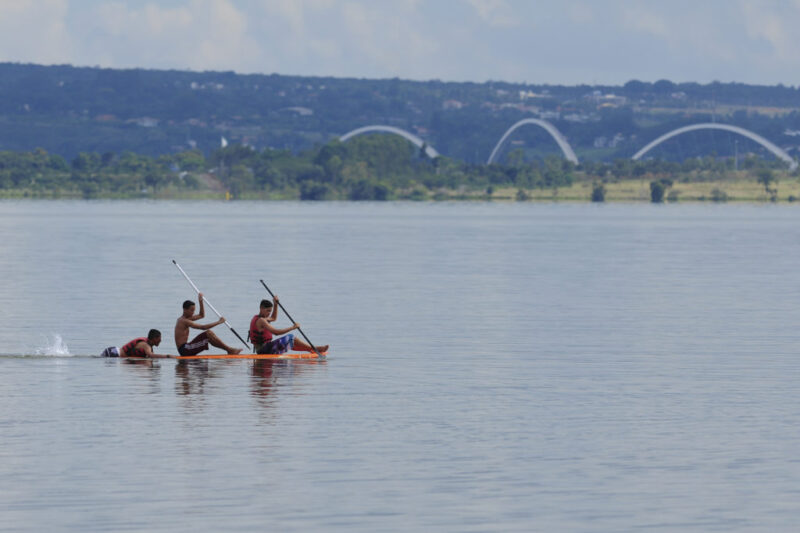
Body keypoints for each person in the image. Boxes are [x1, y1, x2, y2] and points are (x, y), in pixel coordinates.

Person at [249, 297, 328, 355]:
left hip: (265, 349)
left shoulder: (261, 318)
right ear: (261, 308)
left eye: (270, 311)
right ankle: (315, 348)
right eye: (267, 311)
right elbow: (276, 332)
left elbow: (273, 318)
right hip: (264, 350)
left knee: (291, 343)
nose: (269, 313)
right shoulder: (261, 320)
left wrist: (276, 305)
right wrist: (292, 328)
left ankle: (311, 350)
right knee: (291, 337)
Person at [175, 293, 242, 356]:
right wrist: (219, 322)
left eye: (194, 310)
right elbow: (203, 327)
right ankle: (229, 350)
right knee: (208, 333)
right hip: (184, 350)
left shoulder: (185, 319)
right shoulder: (184, 321)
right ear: (185, 310)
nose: (193, 312)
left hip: (185, 348)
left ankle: (229, 350)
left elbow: (201, 315)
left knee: (209, 334)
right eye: (191, 310)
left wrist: (201, 301)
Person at [101, 329, 169, 358]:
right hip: (115, 353)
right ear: (154, 338)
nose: (160, 340)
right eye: (159, 338)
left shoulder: (148, 346)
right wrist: (168, 356)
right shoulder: (145, 345)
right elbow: (151, 355)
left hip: (113, 351)